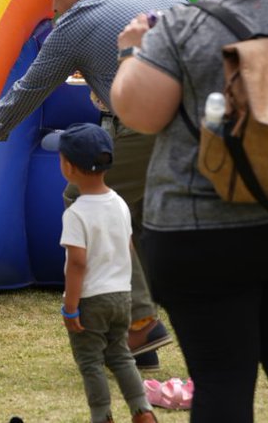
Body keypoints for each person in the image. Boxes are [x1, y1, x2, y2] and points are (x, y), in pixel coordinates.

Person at [0, 0, 186, 370]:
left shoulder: (75, 23)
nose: (52, 7)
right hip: (207, 121)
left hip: (149, 123)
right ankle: (140, 340)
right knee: (130, 218)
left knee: (86, 198)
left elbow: (31, 88)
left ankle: (141, 321)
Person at [110, 0, 268, 422]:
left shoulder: (181, 28)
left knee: (222, 384)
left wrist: (131, 52)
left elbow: (139, 115)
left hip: (198, 231)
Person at [51, 123, 157, 423]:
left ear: (69, 167)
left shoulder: (76, 213)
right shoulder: (121, 204)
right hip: (122, 298)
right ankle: (142, 410)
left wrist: (70, 307)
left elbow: (77, 264)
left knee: (90, 362)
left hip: (91, 300)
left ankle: (102, 415)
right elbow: (128, 248)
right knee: (121, 356)